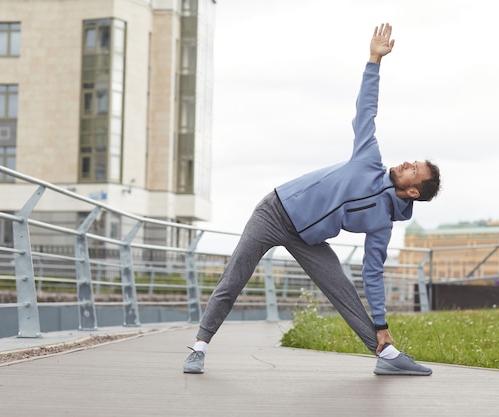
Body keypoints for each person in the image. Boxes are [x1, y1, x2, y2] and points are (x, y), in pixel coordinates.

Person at [183, 23, 440, 376]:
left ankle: (387, 354)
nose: (408, 163)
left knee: (343, 291)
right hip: (274, 212)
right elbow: (366, 110)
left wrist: (381, 322)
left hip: (307, 239)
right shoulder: (369, 158)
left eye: (416, 170)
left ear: (413, 192)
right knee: (234, 279)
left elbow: (373, 272)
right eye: (413, 161)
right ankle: (199, 348)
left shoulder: (383, 223)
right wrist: (373, 60)